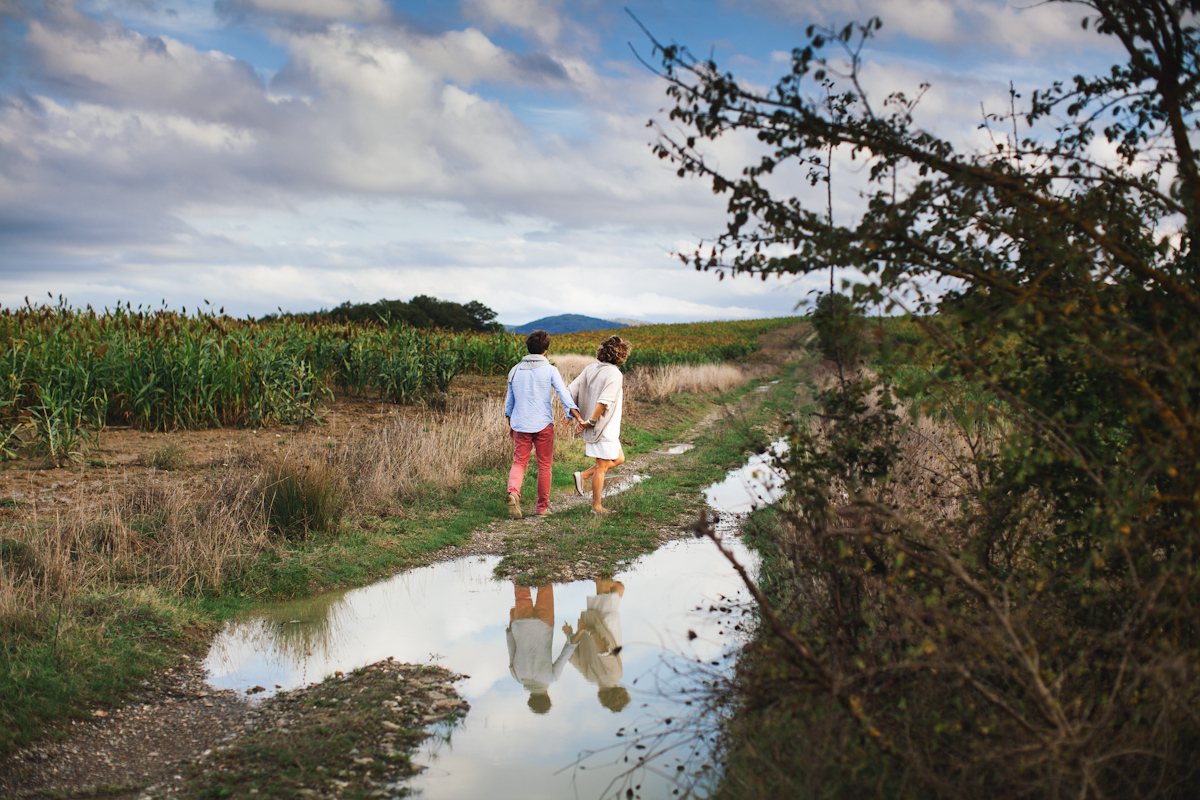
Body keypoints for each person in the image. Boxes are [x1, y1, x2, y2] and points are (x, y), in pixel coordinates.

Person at [505, 330, 584, 519]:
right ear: (546, 351)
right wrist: (573, 414)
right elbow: (564, 394)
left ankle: (514, 493)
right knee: (545, 466)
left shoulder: (515, 369)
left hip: (520, 424)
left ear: (528, 348)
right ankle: (541, 508)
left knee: (519, 462)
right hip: (543, 425)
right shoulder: (550, 370)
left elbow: (510, 401)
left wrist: (510, 420)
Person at [568, 335, 632, 513]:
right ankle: (596, 507)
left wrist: (574, 416)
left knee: (619, 458)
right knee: (602, 468)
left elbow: (569, 392)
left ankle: (584, 475)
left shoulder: (590, 368)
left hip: (604, 426)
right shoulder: (614, 374)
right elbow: (604, 402)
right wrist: (590, 421)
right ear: (621, 355)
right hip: (603, 427)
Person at [507, 583, 577, 715]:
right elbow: (511, 647)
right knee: (522, 594)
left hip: (544, 626)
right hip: (521, 626)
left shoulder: (551, 678)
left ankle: (544, 566)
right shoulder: (517, 676)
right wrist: (510, 626)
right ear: (530, 698)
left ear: (547, 696)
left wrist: (570, 635)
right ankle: (520, 571)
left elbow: (565, 654)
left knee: (545, 588)